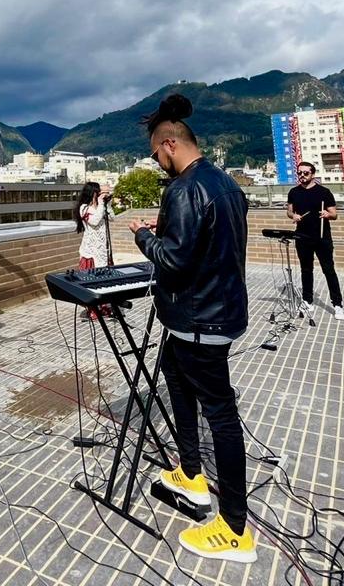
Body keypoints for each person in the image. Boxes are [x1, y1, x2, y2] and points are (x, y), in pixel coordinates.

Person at [129, 94, 256, 565]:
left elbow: (175, 261)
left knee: (220, 416)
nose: (155, 161)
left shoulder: (182, 190)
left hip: (200, 319)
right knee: (173, 375)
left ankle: (235, 529)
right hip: (215, 314)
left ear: (169, 144)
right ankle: (190, 472)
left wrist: (144, 236)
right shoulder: (226, 183)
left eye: (155, 154)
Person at [286, 161, 343, 321]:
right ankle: (307, 300)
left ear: (313, 174)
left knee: (328, 270)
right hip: (302, 237)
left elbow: (334, 214)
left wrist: (327, 214)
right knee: (306, 270)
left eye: (306, 173)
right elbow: (290, 212)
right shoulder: (293, 192)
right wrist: (294, 216)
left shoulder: (324, 192)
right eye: (300, 173)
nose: (302, 176)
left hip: (322, 237)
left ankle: (337, 304)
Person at [74, 180, 115, 270]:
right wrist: (101, 204)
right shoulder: (84, 208)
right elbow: (94, 221)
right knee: (91, 276)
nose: (101, 194)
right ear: (93, 193)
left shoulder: (101, 207)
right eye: (99, 191)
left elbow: (112, 218)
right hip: (91, 250)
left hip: (103, 248)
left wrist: (107, 204)